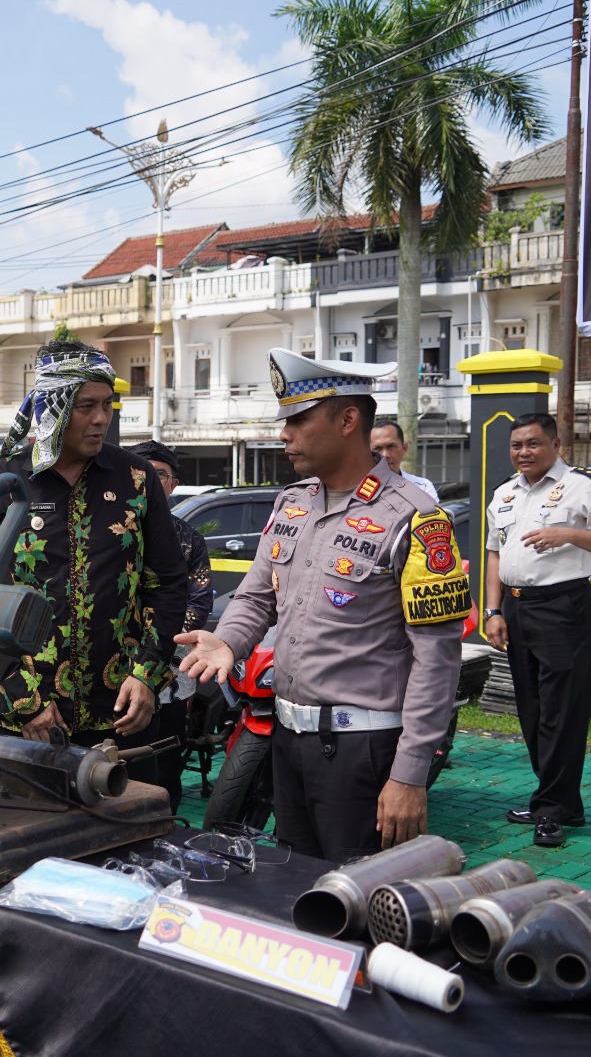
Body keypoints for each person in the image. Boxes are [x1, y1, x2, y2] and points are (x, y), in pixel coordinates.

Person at [178, 350, 469, 862]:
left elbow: (437, 659)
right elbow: (255, 594)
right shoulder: (292, 501)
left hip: (364, 753)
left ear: (347, 420)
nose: (284, 433)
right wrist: (227, 641)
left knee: (358, 903)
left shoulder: (416, 519)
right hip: (287, 740)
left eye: (297, 419)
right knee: (297, 890)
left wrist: (409, 772)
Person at [0, 342, 188, 784]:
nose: (101, 419)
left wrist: (147, 674)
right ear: (51, 409)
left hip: (120, 715)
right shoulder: (4, 482)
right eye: (85, 406)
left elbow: (167, 583)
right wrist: (24, 698)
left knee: (129, 841)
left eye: (107, 405)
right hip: (28, 723)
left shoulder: (136, 477)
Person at [482, 413, 591, 848]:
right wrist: (493, 609)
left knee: (561, 712)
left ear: (555, 444)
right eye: (516, 446)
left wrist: (567, 533)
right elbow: (494, 554)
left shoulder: (582, 486)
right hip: (517, 607)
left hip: (565, 607)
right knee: (531, 709)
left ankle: (551, 809)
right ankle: (559, 799)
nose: (524, 452)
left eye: (533, 444)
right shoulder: (505, 492)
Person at [130, 439, 213, 811]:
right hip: (110, 672)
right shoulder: (108, 528)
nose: (146, 480)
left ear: (173, 483)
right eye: (138, 472)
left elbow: (198, 603)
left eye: (157, 474)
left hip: (169, 671)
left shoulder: (188, 539)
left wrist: (153, 646)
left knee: (163, 766)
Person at [371, 420, 439, 499]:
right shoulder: (358, 491)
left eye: (391, 446)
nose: (385, 455)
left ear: (404, 449)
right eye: (377, 448)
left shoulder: (423, 487)